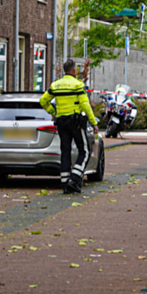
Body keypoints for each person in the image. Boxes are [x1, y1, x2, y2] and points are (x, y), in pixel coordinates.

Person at [40, 59, 99, 194]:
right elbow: (85, 105)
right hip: (76, 122)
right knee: (84, 151)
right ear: (74, 70)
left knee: (65, 152)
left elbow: (43, 101)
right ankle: (74, 178)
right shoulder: (78, 85)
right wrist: (93, 122)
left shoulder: (56, 85)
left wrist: (53, 112)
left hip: (61, 122)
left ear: (64, 71)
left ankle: (65, 184)